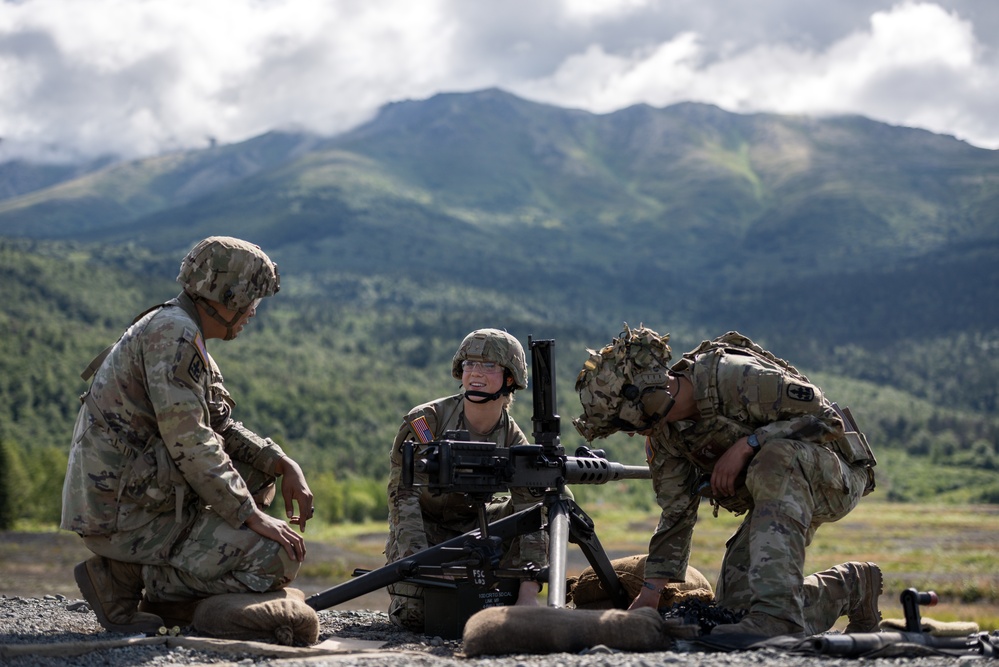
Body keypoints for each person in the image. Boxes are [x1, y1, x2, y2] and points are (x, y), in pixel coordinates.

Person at [61, 236, 314, 634]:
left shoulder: (181, 328)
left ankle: (152, 576)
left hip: (141, 494)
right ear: (228, 295)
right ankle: (127, 577)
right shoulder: (174, 335)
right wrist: (250, 516)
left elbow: (218, 426)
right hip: (124, 513)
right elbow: (192, 441)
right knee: (277, 558)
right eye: (252, 300)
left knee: (259, 474)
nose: (252, 312)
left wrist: (281, 463)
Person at [572, 324, 881, 638]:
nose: (628, 432)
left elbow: (828, 421)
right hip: (779, 496)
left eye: (625, 419)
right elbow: (677, 512)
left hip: (837, 474)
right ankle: (852, 586)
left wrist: (750, 444)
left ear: (647, 390)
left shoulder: (732, 378)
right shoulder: (665, 436)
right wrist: (649, 594)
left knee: (774, 456)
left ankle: (778, 618)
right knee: (735, 611)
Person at [385, 328, 547, 632]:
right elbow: (402, 496)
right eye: (470, 364)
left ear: (510, 378)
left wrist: (529, 590)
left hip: (479, 529)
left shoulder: (512, 438)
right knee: (416, 617)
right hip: (424, 529)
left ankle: (512, 591)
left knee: (548, 506)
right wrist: (420, 561)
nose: (476, 373)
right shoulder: (426, 422)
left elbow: (531, 510)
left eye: (489, 366)